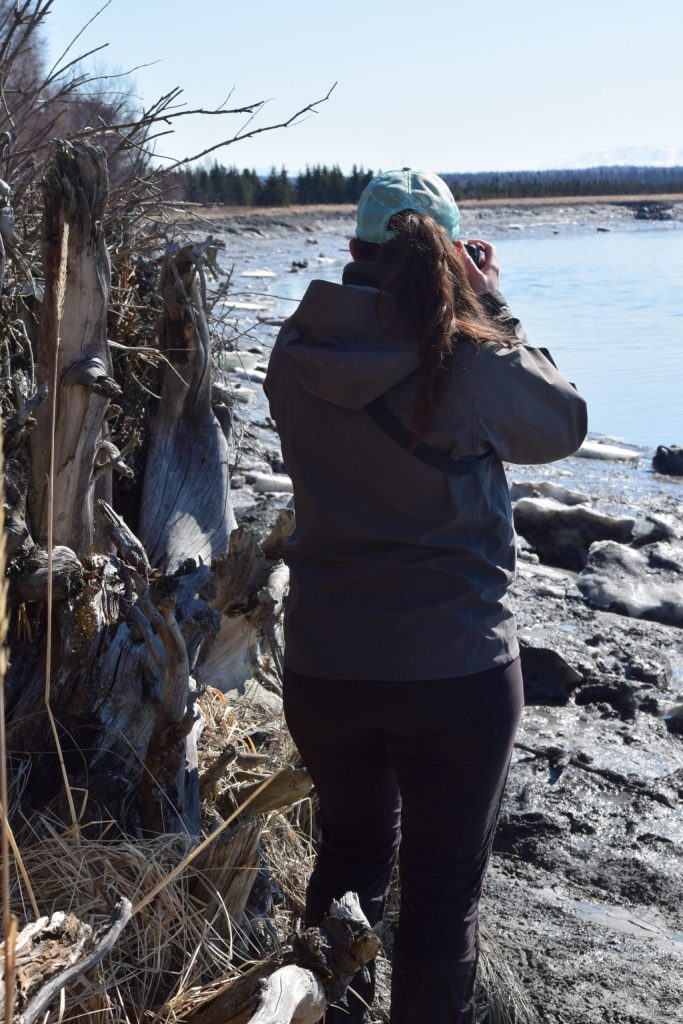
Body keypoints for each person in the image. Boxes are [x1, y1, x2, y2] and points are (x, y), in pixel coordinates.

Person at [264, 168, 587, 1024]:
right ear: (450, 253)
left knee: (348, 860)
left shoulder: (297, 350)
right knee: (443, 897)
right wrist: (494, 306)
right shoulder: (468, 356)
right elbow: (560, 425)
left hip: (325, 659)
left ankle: (328, 1015)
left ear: (353, 249)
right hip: (454, 665)